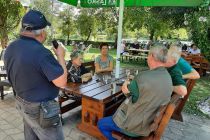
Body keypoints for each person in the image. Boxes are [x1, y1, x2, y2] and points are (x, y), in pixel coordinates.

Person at [4, 10, 67, 140]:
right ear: (42, 32)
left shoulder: (11, 47)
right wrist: (60, 56)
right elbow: (61, 82)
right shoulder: (42, 53)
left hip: (22, 102)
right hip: (42, 110)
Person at [97, 46, 173, 139]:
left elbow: (128, 94)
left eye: (148, 55)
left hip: (134, 126)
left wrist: (125, 86)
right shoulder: (168, 77)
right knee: (114, 112)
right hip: (150, 121)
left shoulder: (142, 77)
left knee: (101, 123)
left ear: (152, 56)